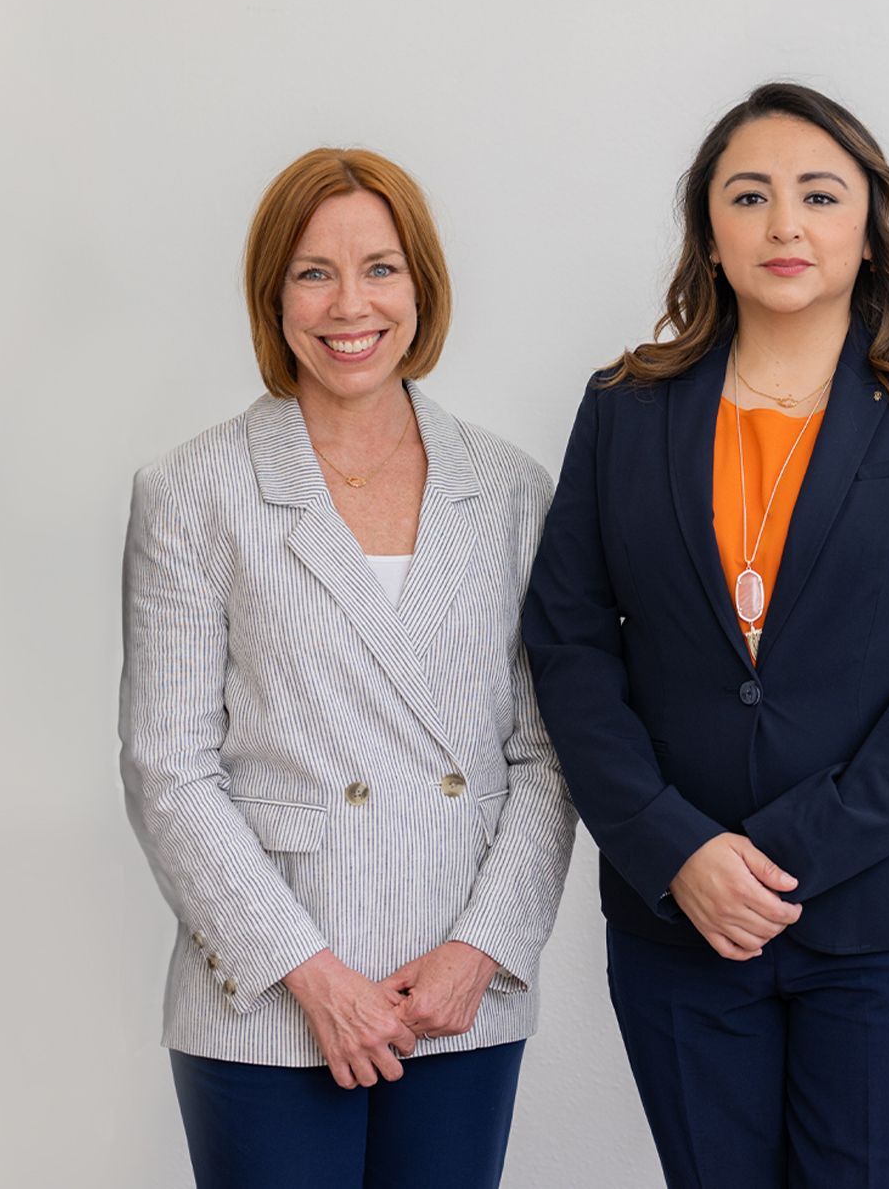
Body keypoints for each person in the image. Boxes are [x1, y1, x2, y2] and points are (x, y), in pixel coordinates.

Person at [522, 82, 889, 1188]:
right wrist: (674, 847)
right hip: (683, 931)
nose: (785, 225)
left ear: (868, 226)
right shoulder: (624, 407)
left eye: (819, 195)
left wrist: (788, 849)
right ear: (709, 231)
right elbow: (568, 648)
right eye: (748, 196)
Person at [119, 147, 576, 1188]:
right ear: (272, 295)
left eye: (380, 267)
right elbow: (169, 768)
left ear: (422, 285)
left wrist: (483, 949)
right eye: (313, 272)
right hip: (271, 996)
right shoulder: (193, 488)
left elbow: (549, 753)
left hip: (458, 992)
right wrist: (310, 974)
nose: (349, 304)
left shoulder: (508, 489)